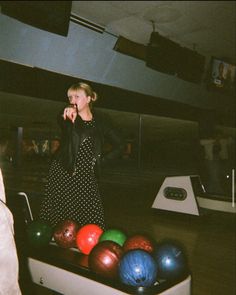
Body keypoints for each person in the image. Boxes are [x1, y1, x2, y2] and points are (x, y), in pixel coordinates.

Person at [39, 82, 124, 230]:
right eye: (70, 97)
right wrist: (71, 119)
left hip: (87, 175)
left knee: (92, 218)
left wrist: (100, 161)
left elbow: (120, 145)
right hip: (64, 171)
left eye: (76, 96)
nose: (72, 100)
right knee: (61, 216)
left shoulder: (102, 120)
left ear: (89, 98)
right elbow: (67, 131)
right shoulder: (66, 116)